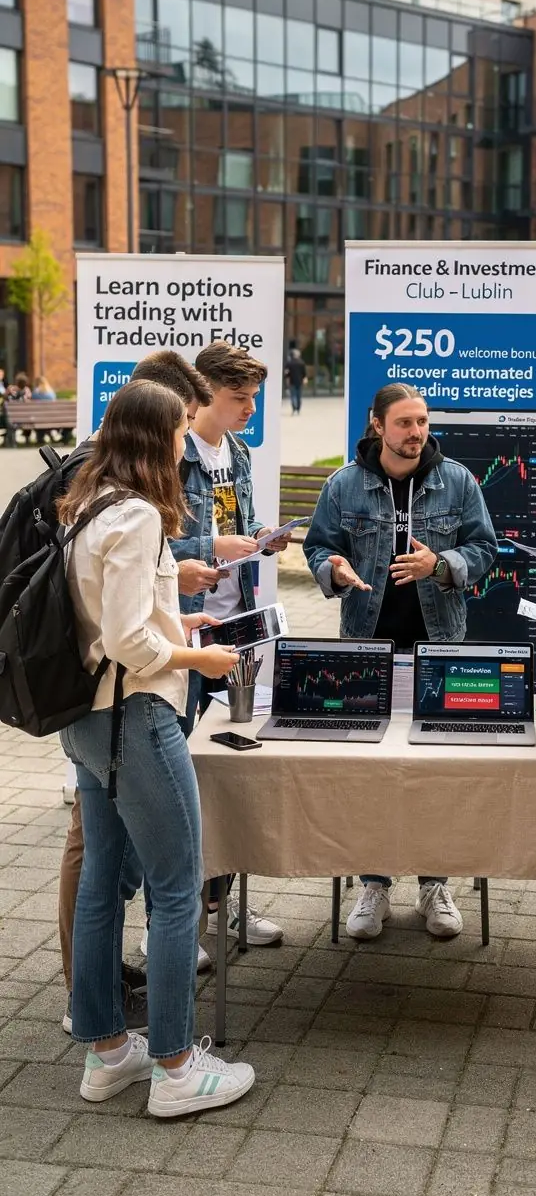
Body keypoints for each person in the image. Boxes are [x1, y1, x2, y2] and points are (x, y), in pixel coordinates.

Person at [59, 378, 256, 1115]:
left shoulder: (87, 504)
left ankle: (108, 1052)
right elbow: (128, 640)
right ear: (156, 437)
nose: (185, 444)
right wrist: (197, 661)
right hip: (135, 718)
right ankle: (176, 1066)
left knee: (101, 886)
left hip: (88, 720)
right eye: (178, 432)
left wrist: (184, 630)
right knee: (177, 892)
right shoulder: (138, 515)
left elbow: (121, 620)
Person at [304, 382, 497, 941]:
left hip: (440, 648)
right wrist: (333, 570)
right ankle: (374, 883)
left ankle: (435, 882)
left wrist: (442, 564)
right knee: (370, 775)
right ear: (377, 425)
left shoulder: (456, 480)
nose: (417, 433)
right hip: (367, 649)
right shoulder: (345, 484)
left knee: (437, 772)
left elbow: (485, 550)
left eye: (422, 421)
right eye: (406, 423)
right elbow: (318, 546)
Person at [173, 341, 289, 950]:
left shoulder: (237, 452)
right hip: (185, 636)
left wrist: (259, 541)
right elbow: (149, 549)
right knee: (186, 780)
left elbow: (232, 532)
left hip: (235, 628)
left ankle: (223, 908)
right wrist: (207, 550)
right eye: (238, 398)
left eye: (253, 398)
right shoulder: (175, 457)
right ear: (201, 396)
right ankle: (174, 925)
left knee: (233, 771)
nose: (249, 409)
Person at [284, 347, 307, 414]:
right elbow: (304, 373)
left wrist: (287, 378)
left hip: (292, 381)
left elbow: (286, 373)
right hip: (299, 382)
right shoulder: (301, 363)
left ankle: (294, 408)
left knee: (293, 396)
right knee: (299, 396)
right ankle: (298, 409)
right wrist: (304, 379)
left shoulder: (289, 363)